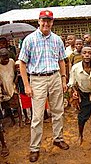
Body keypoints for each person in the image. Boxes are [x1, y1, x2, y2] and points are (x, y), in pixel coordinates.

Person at [19, 10, 69, 163]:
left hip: (54, 77)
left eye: (49, 21)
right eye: (43, 20)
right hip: (37, 79)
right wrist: (27, 85)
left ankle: (58, 138)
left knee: (58, 111)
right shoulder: (30, 40)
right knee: (37, 116)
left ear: (52, 22)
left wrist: (63, 78)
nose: (46, 23)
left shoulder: (57, 40)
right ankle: (34, 148)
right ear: (39, 21)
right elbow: (22, 63)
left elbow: (61, 60)